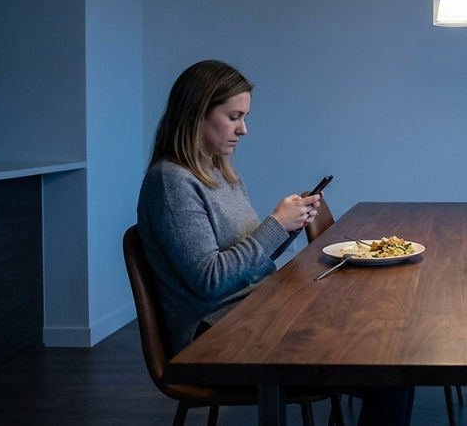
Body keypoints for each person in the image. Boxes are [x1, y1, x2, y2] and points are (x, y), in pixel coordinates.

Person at [137, 59, 413, 426]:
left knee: (382, 343)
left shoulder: (220, 171)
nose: (244, 130)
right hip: (214, 335)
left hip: (254, 312)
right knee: (389, 370)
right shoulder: (171, 183)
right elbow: (209, 280)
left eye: (245, 117)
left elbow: (251, 258)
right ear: (197, 114)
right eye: (234, 116)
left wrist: (289, 227)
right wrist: (274, 224)